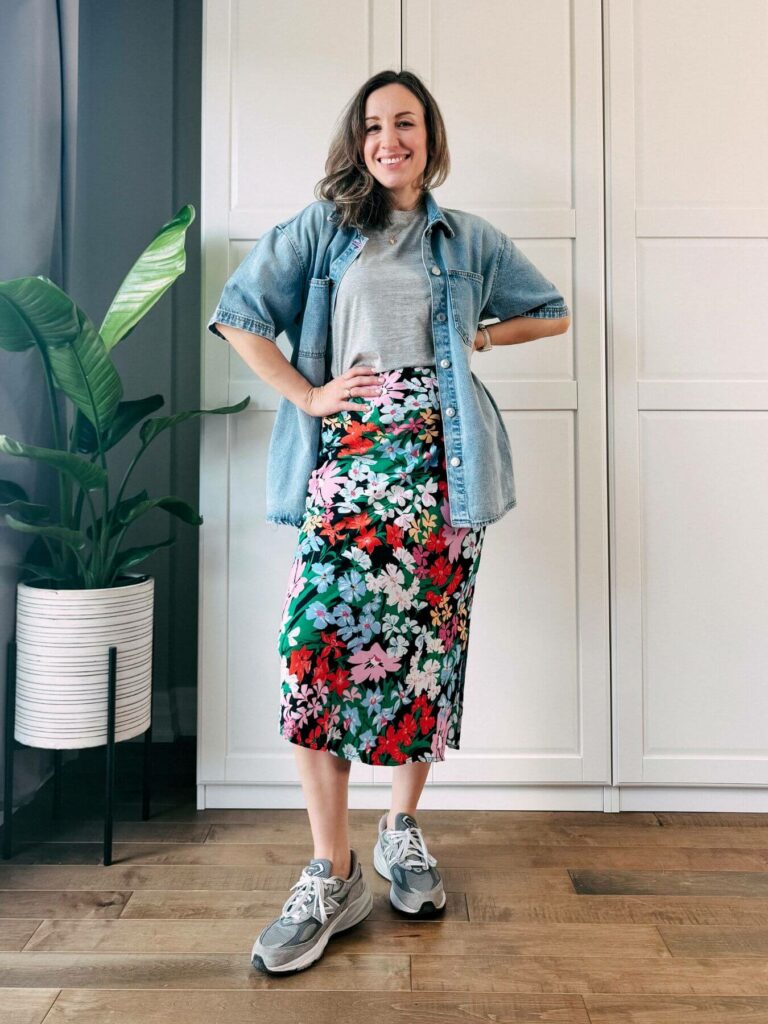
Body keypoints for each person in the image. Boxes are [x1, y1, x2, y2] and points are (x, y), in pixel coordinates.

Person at [208, 69, 570, 975]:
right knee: (314, 656)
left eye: (404, 123)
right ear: (358, 140)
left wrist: (479, 336)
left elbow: (551, 313)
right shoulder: (326, 228)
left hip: (447, 481)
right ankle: (332, 873)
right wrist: (308, 393)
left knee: (426, 663)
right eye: (373, 126)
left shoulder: (467, 238)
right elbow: (238, 314)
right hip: (350, 471)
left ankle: (401, 831)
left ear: (429, 135)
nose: (388, 140)